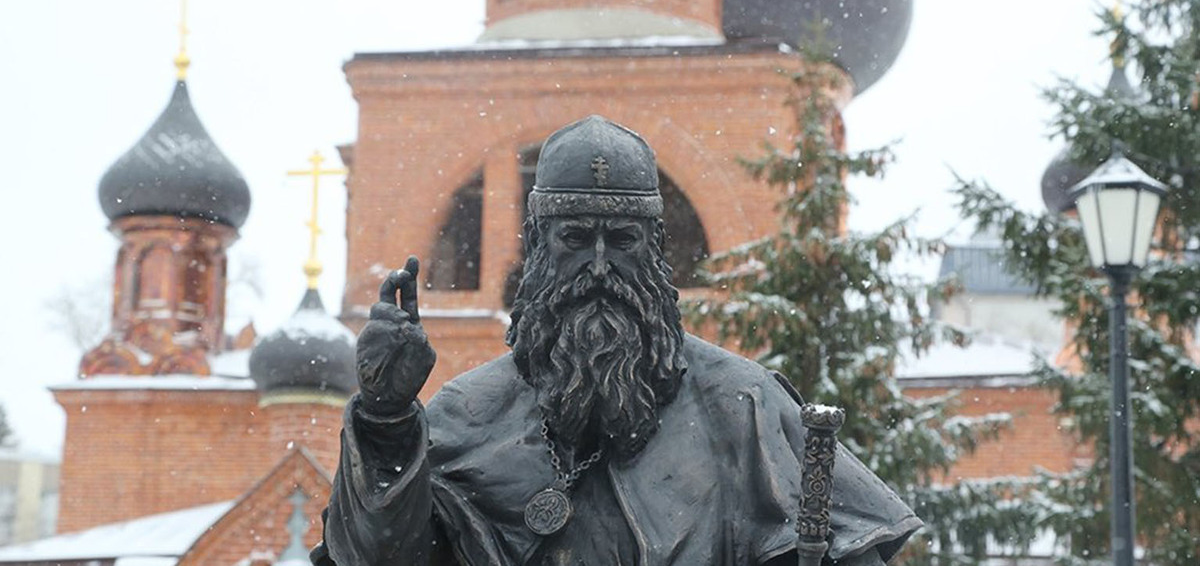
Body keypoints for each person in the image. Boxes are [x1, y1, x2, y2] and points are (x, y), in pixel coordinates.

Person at [313, 116, 921, 566]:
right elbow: (374, 557)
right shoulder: (468, 413)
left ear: (654, 251)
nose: (600, 266)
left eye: (622, 241)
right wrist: (386, 418)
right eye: (575, 239)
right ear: (538, 251)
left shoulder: (747, 407)